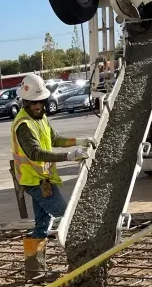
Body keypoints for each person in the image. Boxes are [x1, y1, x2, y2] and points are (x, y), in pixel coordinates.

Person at [11, 73, 95, 238]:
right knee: (66, 215)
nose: (38, 106)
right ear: (25, 102)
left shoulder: (40, 117)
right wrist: (68, 156)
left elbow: (54, 139)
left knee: (42, 225)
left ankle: (34, 259)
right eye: (34, 103)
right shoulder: (23, 125)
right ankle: (82, 250)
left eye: (40, 101)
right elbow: (35, 153)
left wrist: (78, 140)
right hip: (35, 181)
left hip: (42, 178)